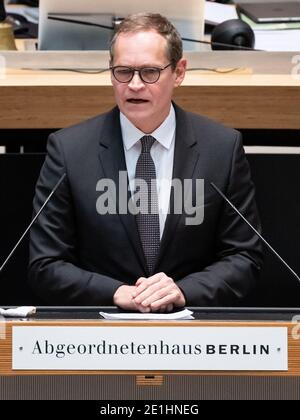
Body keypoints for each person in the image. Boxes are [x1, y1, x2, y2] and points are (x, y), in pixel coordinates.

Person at [28, 13, 263, 312]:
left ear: (179, 72)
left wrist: (182, 291)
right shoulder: (68, 150)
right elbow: (45, 264)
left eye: (150, 72)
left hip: (193, 337)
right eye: (123, 72)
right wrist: (116, 293)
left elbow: (244, 257)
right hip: (99, 337)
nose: (135, 85)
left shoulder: (221, 148)